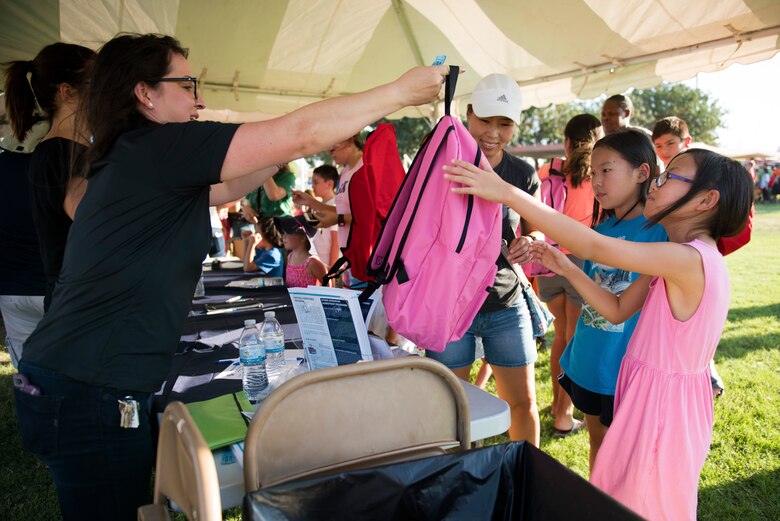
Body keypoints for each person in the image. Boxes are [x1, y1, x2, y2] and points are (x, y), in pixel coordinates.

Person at [14, 32, 449, 520]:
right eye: (186, 83)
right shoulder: (159, 146)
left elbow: (223, 189)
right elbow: (302, 130)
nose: (199, 98)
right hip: (89, 387)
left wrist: (277, 152)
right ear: (145, 93)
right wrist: (398, 93)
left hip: (74, 379)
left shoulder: (136, 155)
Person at [444, 146, 752, 521]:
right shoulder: (678, 257)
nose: (656, 183)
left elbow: (592, 245)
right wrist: (566, 267)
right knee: (623, 497)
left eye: (670, 176)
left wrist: (508, 193)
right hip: (649, 399)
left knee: (644, 503)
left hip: (662, 411)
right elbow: (617, 308)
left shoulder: (689, 259)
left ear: (707, 199)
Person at [427, 73, 543, 446]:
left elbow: (539, 227)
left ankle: (529, 478)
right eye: (486, 120)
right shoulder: (442, 165)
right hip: (450, 306)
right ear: (468, 115)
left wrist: (531, 241)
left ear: (515, 125)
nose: (493, 132)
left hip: (506, 304)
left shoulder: (522, 174)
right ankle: (453, 478)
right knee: (449, 407)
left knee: (522, 402)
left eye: (504, 123)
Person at [562, 129, 667, 469]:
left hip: (629, 368)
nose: (597, 181)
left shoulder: (663, 232)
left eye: (606, 170)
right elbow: (593, 295)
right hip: (590, 359)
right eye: (593, 173)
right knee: (599, 443)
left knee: (631, 456)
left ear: (642, 173)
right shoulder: (599, 231)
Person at [3, 42, 95, 311]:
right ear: (67, 92)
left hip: (52, 295)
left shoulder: (62, 150)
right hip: (71, 302)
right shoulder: (58, 153)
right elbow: (97, 217)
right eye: (98, 83)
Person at [534, 114, 602, 436]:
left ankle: (558, 404)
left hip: (547, 259)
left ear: (566, 141)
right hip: (577, 262)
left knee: (560, 335)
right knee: (572, 338)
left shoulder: (550, 169)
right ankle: (563, 414)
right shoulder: (598, 174)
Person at [276, 214, 327, 288]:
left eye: (288, 233)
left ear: (303, 238)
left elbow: (329, 286)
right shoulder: (290, 256)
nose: (283, 236)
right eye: (283, 233)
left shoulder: (313, 262)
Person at [309, 164, 340, 268]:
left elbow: (336, 242)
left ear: (330, 184)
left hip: (330, 267)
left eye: (316, 182)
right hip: (320, 266)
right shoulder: (318, 207)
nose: (312, 186)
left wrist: (332, 270)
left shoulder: (335, 207)